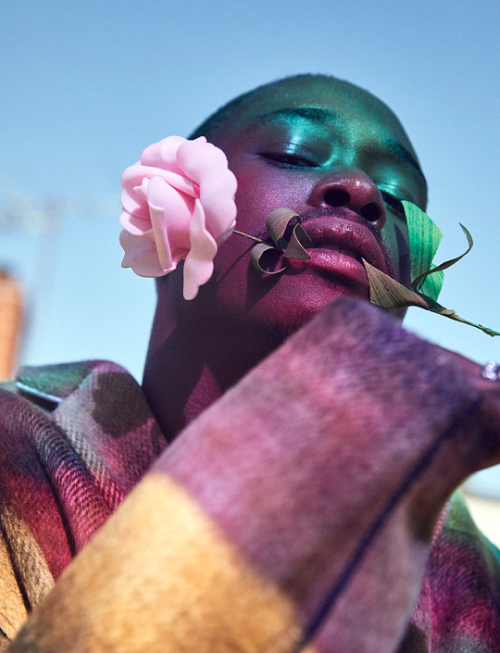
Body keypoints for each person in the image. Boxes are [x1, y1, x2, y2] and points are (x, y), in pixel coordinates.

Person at [2, 74, 500, 653]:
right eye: (295, 153)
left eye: (398, 199)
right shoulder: (15, 461)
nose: (362, 189)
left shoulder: (481, 585)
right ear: (170, 214)